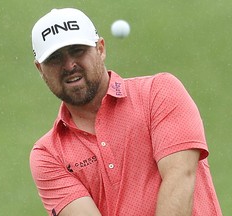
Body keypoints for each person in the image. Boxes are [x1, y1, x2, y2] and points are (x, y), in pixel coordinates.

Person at [29, 8, 222, 216]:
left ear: (100, 49)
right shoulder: (48, 155)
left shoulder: (159, 93)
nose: (69, 65)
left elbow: (179, 180)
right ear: (40, 69)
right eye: (55, 58)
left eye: (77, 50)